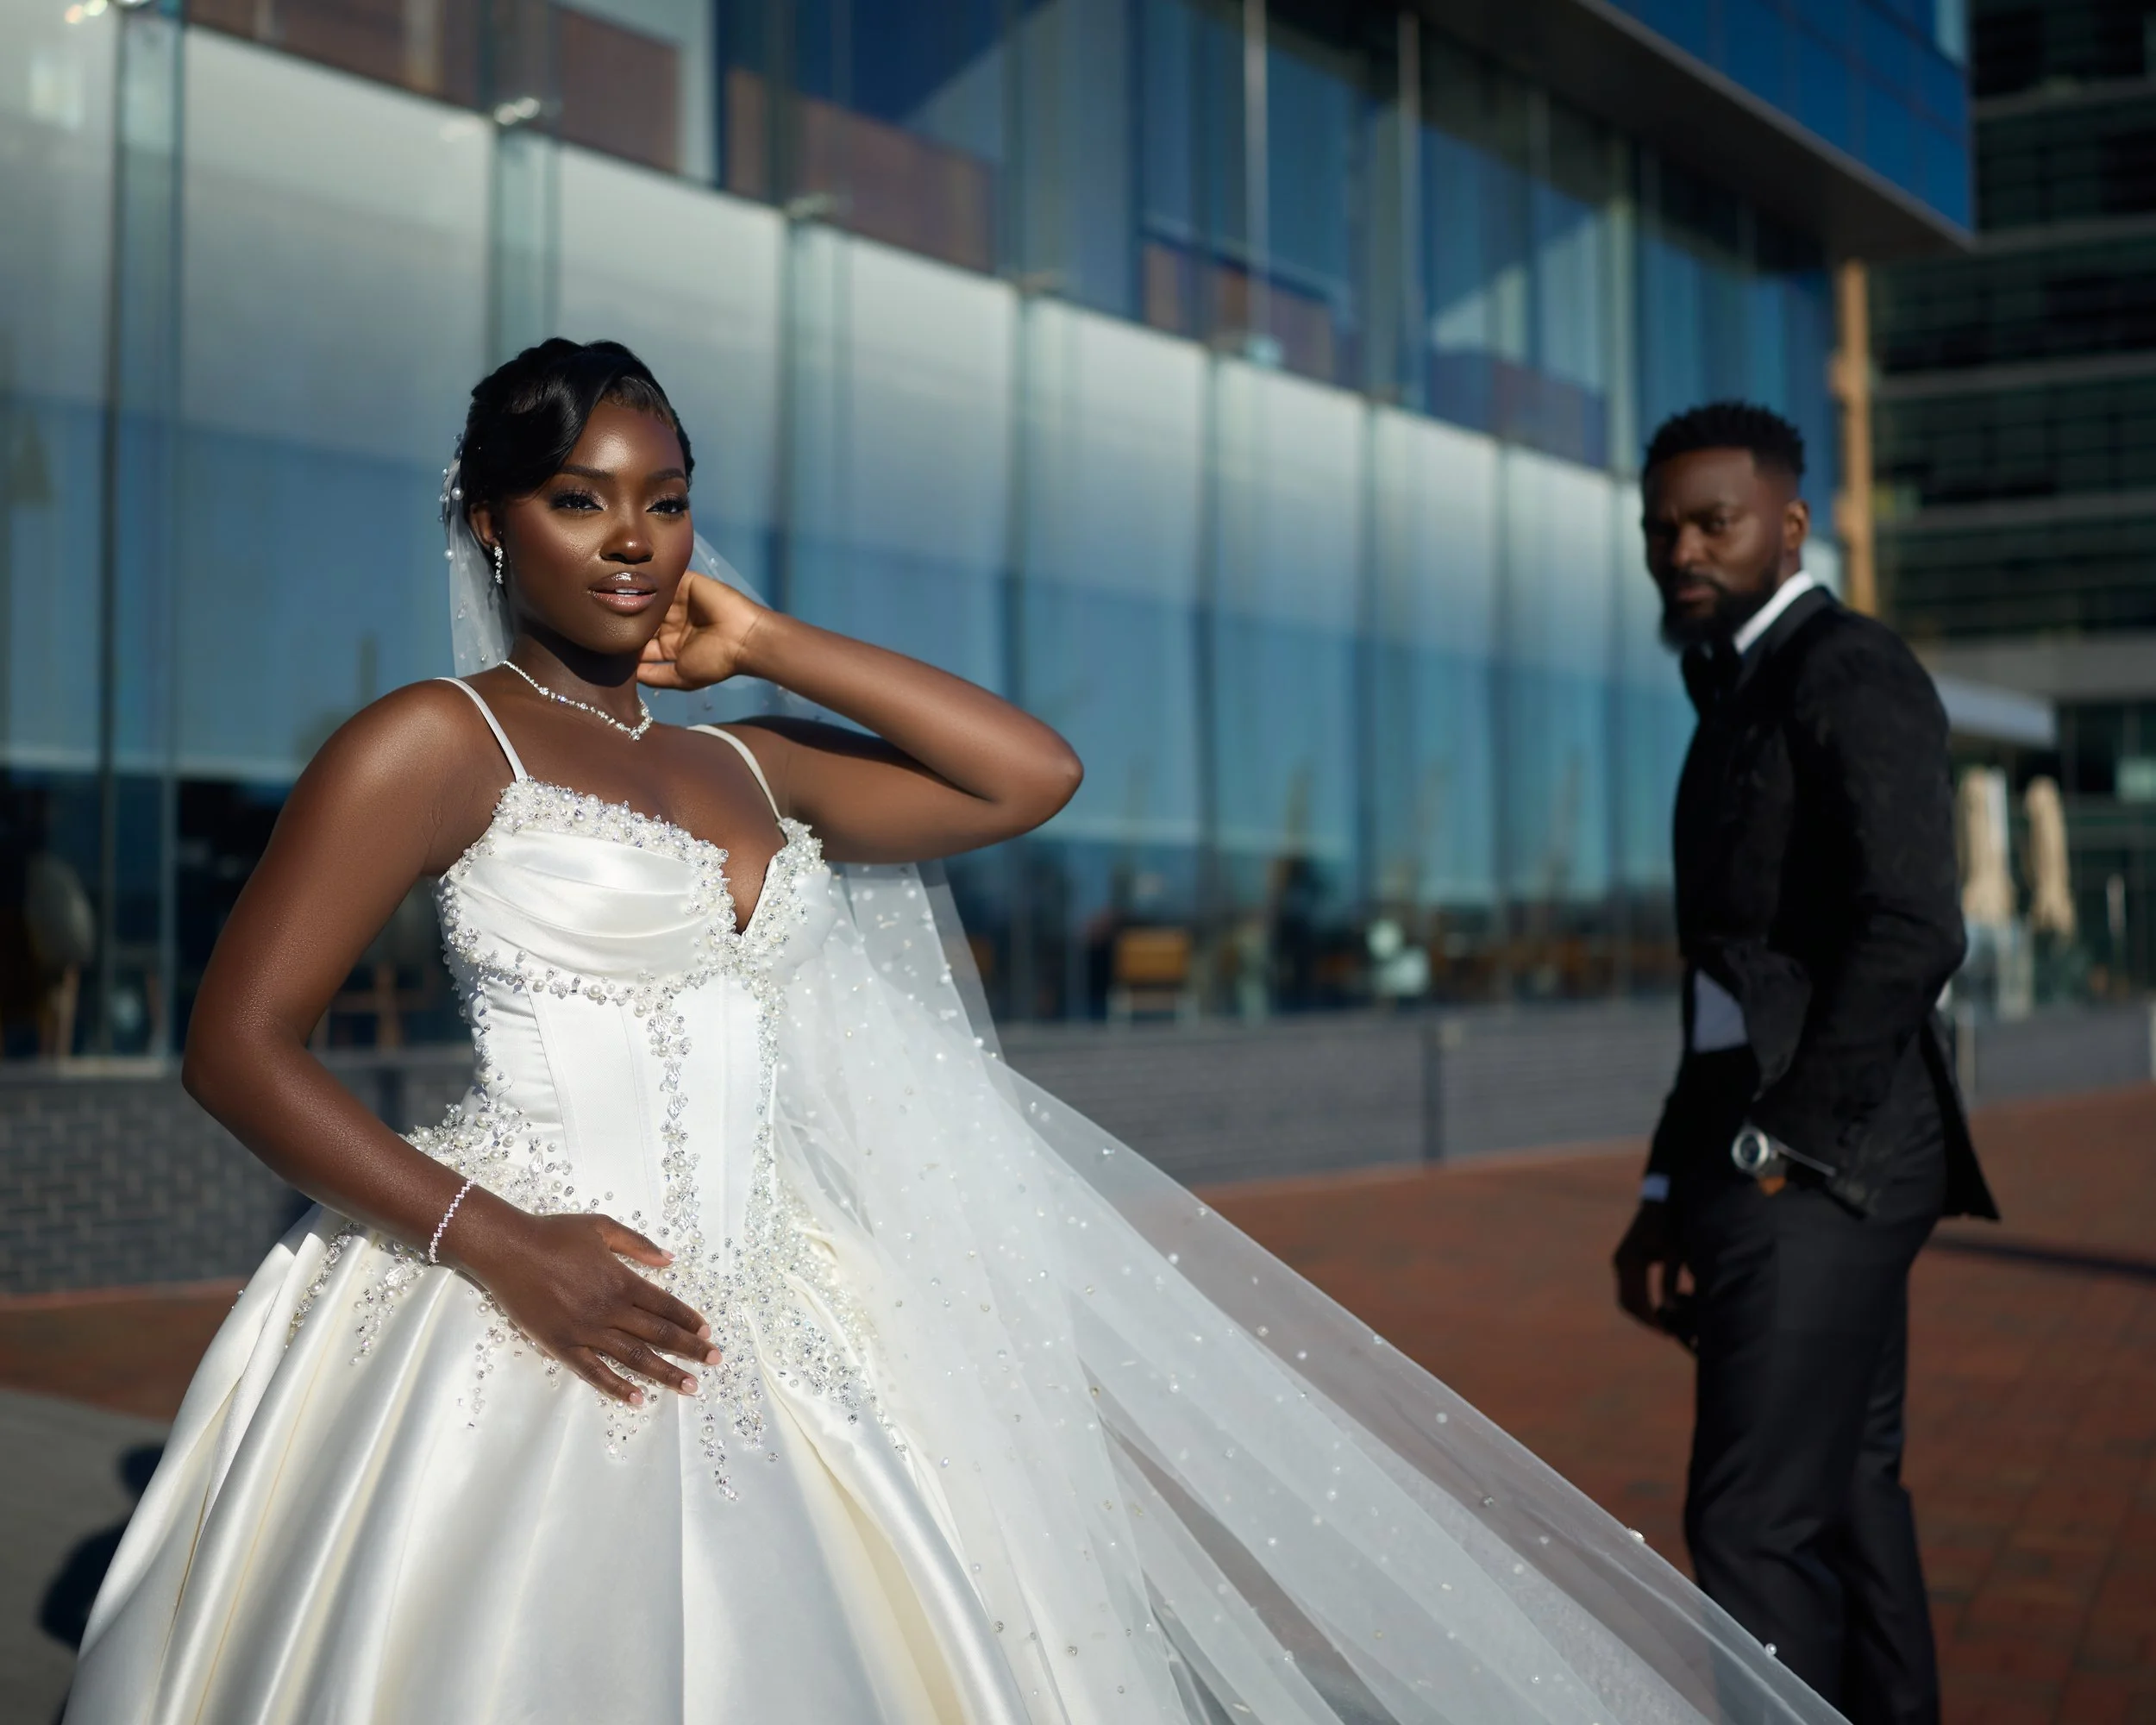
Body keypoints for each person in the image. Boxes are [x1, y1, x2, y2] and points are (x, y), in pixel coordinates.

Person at [69, 342, 1835, 1725]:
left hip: (783, 1310)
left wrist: (771, 640)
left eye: (665, 502)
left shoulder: (741, 756)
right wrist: (506, 1245)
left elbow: (1026, 775)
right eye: (577, 499)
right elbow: (238, 1043)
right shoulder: (436, 740)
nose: (629, 540)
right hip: (515, 1289)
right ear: (487, 520)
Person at [1612, 402, 1998, 1725]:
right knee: (1838, 1497)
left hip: (1829, 1158)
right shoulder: (1734, 689)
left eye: (1712, 523)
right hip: (1775, 1146)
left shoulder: (1849, 669)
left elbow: (1915, 925)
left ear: (1788, 525)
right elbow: (1727, 985)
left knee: (1750, 1527)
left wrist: (1787, 1143)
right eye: (1660, 529)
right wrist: (1662, 1192)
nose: (1680, 551)